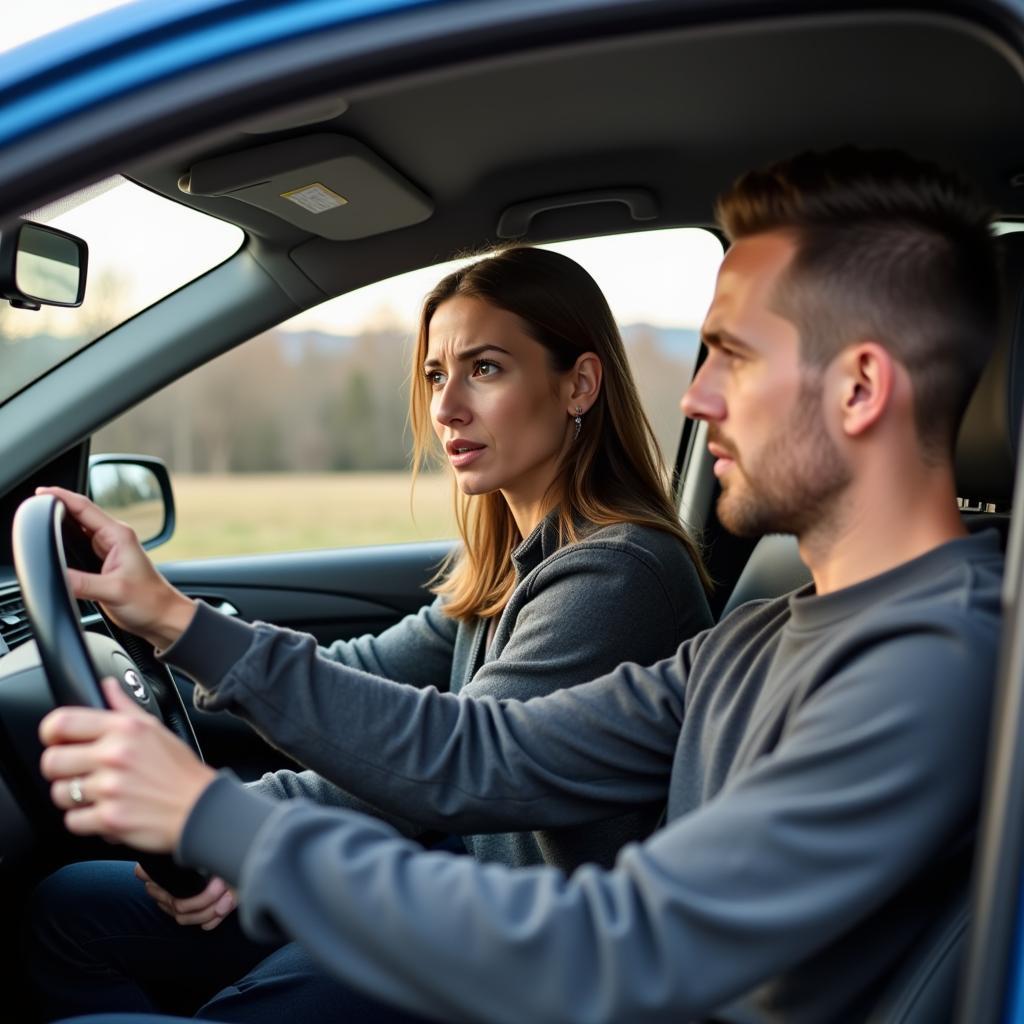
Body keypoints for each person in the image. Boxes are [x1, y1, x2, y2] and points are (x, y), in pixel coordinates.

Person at [37, 146, 1004, 1024]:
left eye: (734, 358)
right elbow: (480, 752)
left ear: (860, 388)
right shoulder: (761, 635)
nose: (695, 397)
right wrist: (174, 624)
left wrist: (219, 820)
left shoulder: (934, 662)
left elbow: (620, 948)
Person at [29, 246, 713, 1022]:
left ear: (578, 384)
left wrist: (223, 819)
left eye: (484, 369)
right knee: (65, 911)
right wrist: (154, 639)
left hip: (523, 961)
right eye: (433, 375)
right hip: (451, 892)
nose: (446, 406)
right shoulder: (509, 563)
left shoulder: (619, 575)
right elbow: (365, 690)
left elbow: (450, 760)